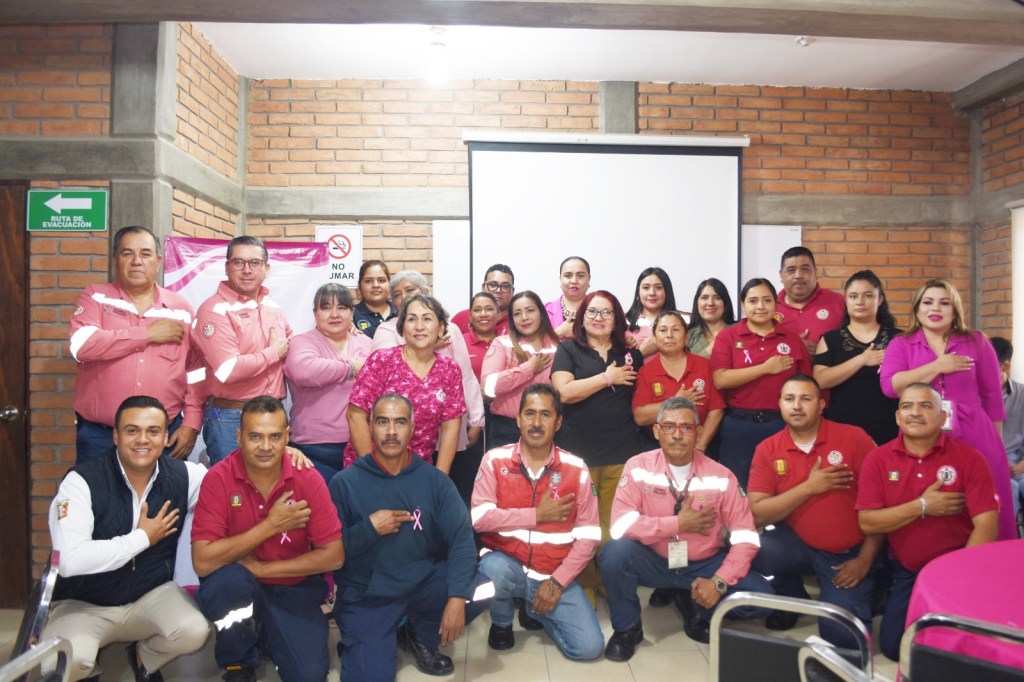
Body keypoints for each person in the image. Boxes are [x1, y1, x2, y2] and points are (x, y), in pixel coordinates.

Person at [42, 396, 210, 682]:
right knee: (63, 663)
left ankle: (143, 657)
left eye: (153, 431)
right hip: (84, 603)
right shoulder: (82, 482)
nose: (142, 439)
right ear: (116, 435)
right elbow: (70, 561)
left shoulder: (185, 476)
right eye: (132, 430)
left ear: (166, 436)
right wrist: (143, 537)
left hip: (149, 595)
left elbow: (233, 479)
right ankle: (87, 670)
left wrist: (289, 458)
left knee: (194, 630)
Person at [330, 394, 490, 681]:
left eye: (400, 422)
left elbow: (461, 538)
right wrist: (369, 529)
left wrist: (456, 598)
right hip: (369, 595)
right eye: (382, 422)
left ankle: (417, 633)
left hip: (421, 584)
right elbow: (329, 553)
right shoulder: (345, 483)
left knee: (485, 586)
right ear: (370, 426)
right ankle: (371, 638)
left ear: (412, 428)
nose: (391, 431)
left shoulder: (435, 481)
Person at [601, 397, 770, 660]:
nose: (677, 434)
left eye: (686, 428)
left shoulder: (722, 476)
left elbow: (746, 538)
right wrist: (679, 523)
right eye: (669, 427)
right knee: (614, 553)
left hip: (704, 564)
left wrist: (719, 582)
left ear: (699, 432)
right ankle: (627, 629)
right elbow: (620, 526)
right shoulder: (637, 467)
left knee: (761, 598)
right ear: (657, 432)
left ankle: (697, 605)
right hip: (654, 560)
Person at [191, 396, 344, 682]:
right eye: (255, 437)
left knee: (309, 676)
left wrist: (262, 569)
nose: (265, 447)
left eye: (275, 437)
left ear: (287, 437)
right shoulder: (218, 478)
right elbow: (202, 561)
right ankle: (239, 663)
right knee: (227, 584)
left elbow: (334, 555)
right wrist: (270, 525)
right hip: (237, 585)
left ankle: (267, 634)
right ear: (238, 437)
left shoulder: (307, 477)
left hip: (292, 589)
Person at [857, 383, 999, 661]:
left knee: (966, 648)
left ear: (943, 417)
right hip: (908, 571)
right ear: (898, 417)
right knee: (894, 647)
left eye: (926, 405)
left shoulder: (969, 458)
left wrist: (958, 576)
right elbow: (869, 523)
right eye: (907, 406)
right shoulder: (877, 459)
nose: (915, 412)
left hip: (958, 568)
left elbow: (987, 524)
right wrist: (922, 506)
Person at [747, 375, 882, 648]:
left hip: (847, 555)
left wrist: (865, 560)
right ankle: (792, 597)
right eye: (789, 399)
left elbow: (883, 506)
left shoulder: (854, 438)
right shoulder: (768, 448)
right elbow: (757, 512)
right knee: (748, 543)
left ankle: (868, 585)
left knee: (843, 639)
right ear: (780, 405)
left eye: (805, 399)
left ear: (821, 404)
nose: (797, 406)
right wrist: (810, 487)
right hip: (799, 545)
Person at [471, 384, 604, 660]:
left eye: (545, 415)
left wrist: (556, 584)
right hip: (508, 567)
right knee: (492, 568)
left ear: (558, 423)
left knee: (589, 649)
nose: (536, 422)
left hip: (553, 572)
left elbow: (589, 537)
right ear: (518, 419)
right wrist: (536, 515)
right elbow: (480, 520)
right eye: (529, 413)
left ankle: (536, 608)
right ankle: (502, 621)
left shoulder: (576, 469)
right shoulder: (494, 460)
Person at [879, 278, 1016, 540]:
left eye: (944, 303)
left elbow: (992, 397)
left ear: (954, 310)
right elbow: (890, 386)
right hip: (921, 430)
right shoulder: (902, 343)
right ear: (917, 310)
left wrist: (996, 445)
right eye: (928, 302)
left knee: (984, 502)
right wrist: (937, 366)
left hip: (976, 430)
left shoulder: (976, 341)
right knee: (930, 497)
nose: (936, 308)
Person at [69, 225, 203, 463]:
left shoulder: (180, 308)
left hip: (164, 435)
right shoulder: (96, 297)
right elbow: (81, 346)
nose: (136, 261)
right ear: (115, 260)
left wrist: (192, 421)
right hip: (101, 436)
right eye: (127, 253)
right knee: (100, 499)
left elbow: (196, 372)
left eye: (145, 254)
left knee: (166, 500)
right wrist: (146, 334)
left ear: (158, 261)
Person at [551, 290, 646, 601]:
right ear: (582, 317)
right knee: (581, 522)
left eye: (606, 313)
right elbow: (564, 392)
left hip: (620, 452)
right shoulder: (568, 349)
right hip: (577, 454)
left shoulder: (631, 355)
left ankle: (609, 577)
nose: (599, 318)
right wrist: (607, 377)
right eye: (592, 312)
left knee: (612, 523)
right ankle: (586, 583)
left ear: (617, 319)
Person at [193, 236, 293, 465]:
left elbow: (291, 344)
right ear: (227, 267)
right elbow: (228, 369)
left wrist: (342, 334)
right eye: (239, 262)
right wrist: (272, 354)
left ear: (266, 268)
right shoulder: (214, 310)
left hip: (273, 415)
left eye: (255, 263)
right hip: (231, 419)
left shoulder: (271, 305)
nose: (247, 270)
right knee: (233, 494)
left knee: (269, 491)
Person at [372, 270, 486, 463]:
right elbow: (393, 363)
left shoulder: (450, 329)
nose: (404, 297)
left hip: (449, 426)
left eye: (410, 290)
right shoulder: (387, 329)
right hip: (405, 434)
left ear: (425, 292)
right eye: (397, 295)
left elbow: (467, 377)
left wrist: (476, 420)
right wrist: (429, 344)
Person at [345, 294, 467, 473]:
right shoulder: (382, 360)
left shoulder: (449, 369)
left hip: (418, 471)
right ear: (402, 328)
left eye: (427, 319)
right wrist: (373, 471)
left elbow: (450, 428)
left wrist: (440, 479)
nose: (419, 327)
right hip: (369, 468)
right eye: (411, 319)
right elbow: (355, 416)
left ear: (441, 328)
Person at [710, 278, 812, 489]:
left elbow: (807, 385)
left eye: (767, 300)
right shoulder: (728, 337)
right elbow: (720, 379)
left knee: (782, 485)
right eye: (753, 300)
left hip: (781, 425)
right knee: (737, 489)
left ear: (776, 304)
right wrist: (765, 368)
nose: (760, 306)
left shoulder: (791, 339)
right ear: (743, 304)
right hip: (738, 425)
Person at [284, 283, 372, 483]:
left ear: (352, 312)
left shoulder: (365, 342)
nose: (335, 314)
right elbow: (303, 370)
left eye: (342, 307)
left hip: (360, 444)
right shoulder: (302, 342)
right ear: (315, 313)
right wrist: (352, 368)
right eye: (326, 307)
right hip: (312, 448)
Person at [813, 270, 901, 445]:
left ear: (880, 299)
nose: (860, 302)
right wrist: (862, 360)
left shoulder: (898, 339)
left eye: (868, 296)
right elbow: (820, 380)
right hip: (842, 428)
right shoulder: (831, 339)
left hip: (888, 427)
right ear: (846, 301)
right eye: (853, 296)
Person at [633, 310, 725, 453]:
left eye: (675, 330)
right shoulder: (646, 372)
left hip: (700, 448)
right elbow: (640, 417)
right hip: (658, 450)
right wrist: (676, 400)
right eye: (663, 330)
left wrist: (700, 446)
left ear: (686, 337)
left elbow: (716, 409)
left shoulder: (704, 366)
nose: (669, 335)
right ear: (655, 338)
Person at [481, 290, 561, 449]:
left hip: (547, 428)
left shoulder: (559, 347)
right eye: (517, 313)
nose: (524, 317)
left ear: (541, 313)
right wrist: (528, 368)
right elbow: (488, 386)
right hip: (506, 429)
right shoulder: (502, 343)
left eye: (530, 310)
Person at [775, 246, 845, 355]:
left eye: (805, 269)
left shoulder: (839, 302)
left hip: (829, 371)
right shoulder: (769, 308)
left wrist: (824, 353)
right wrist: (792, 345)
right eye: (791, 270)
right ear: (781, 275)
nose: (798, 276)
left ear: (815, 272)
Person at [989, 336, 1023, 516]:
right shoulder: (971, 397)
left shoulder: (1022, 395)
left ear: (1006, 367)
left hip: (1018, 466)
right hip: (987, 467)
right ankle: (1007, 542)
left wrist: (1022, 465)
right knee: (1008, 487)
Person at [624, 266, 678, 359]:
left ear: (667, 291)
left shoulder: (683, 321)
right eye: (646, 288)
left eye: (658, 287)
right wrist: (641, 352)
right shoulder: (623, 322)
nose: (652, 293)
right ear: (638, 292)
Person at [450, 263, 514, 335]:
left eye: (505, 286)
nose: (498, 290)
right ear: (483, 288)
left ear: (513, 291)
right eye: (493, 285)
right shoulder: (462, 318)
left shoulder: (518, 321)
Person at [686, 277, 736, 359]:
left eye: (717, 298)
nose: (710, 303)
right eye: (704, 298)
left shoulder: (738, 330)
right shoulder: (688, 335)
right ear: (697, 302)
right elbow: (686, 367)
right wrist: (710, 349)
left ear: (725, 302)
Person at [545, 256, 591, 340]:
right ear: (560, 279)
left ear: (589, 279)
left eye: (580, 276)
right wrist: (559, 332)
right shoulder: (544, 311)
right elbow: (532, 347)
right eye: (568, 276)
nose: (574, 281)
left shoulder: (602, 311)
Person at [462, 291, 500, 382]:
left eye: (489, 309)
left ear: (498, 314)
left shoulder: (508, 342)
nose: (483, 314)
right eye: (477, 310)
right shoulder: (459, 343)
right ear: (470, 316)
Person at [352, 259, 395, 339]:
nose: (375, 285)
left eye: (381, 280)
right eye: (368, 281)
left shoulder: (401, 312)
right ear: (360, 285)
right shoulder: (351, 314)